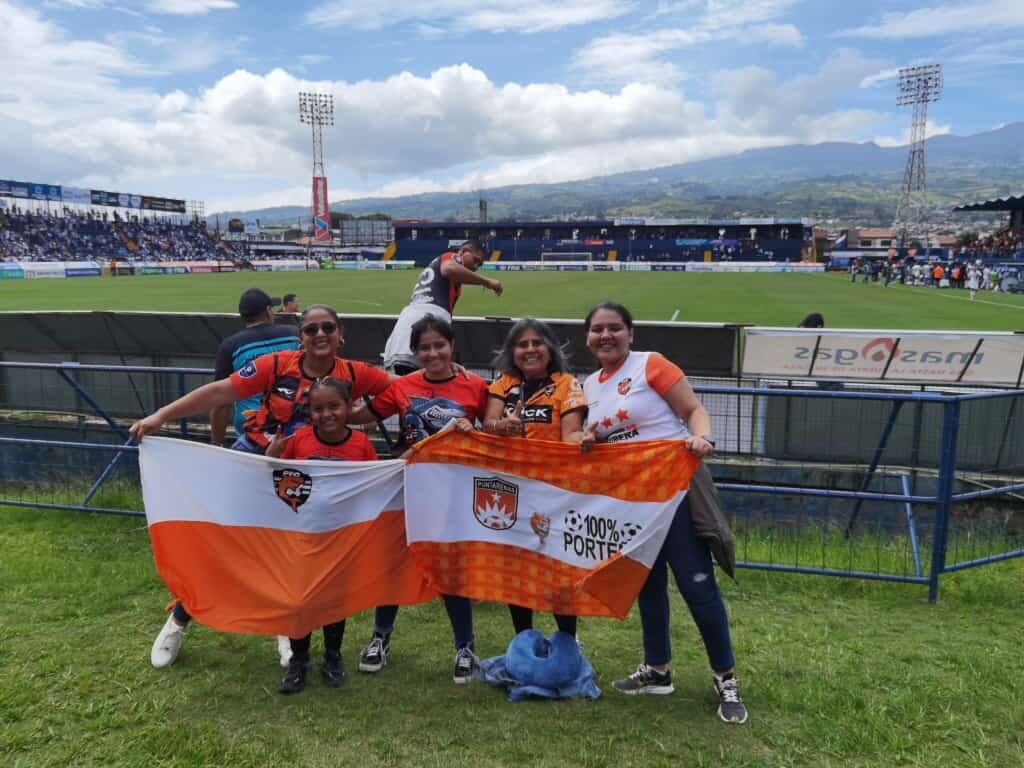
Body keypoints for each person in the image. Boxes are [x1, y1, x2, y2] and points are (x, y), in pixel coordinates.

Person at [131, 304, 394, 669]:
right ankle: (179, 617)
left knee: (291, 555)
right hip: (256, 465)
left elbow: (400, 392)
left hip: (310, 479)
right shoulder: (276, 365)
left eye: (327, 328)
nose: (320, 335)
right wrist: (161, 416)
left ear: (340, 333)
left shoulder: (353, 372)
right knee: (223, 544)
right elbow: (220, 392)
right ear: (300, 337)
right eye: (311, 329)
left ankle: (285, 627)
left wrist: (357, 416)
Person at [579, 301, 747, 725]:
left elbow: (693, 410)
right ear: (588, 337)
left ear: (630, 333)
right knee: (646, 585)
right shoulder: (590, 385)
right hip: (632, 504)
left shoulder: (650, 365)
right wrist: (586, 439)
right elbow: (598, 438)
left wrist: (701, 437)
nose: (606, 335)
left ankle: (725, 677)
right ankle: (657, 670)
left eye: (614, 328)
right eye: (597, 329)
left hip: (674, 494)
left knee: (697, 586)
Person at [348, 314, 488, 684]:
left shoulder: (475, 386)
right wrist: (326, 401)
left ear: (451, 345)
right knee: (394, 561)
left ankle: (465, 647)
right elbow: (361, 415)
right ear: (415, 352)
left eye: (439, 345)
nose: (432, 353)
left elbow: (492, 436)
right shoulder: (402, 386)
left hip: (455, 491)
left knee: (450, 568)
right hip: (408, 488)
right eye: (424, 348)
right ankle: (380, 638)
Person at [265, 377, 378, 695]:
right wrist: (271, 455)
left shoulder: (360, 445)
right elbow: (274, 477)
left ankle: (333, 657)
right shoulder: (299, 441)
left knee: (333, 602)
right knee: (300, 600)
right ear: (309, 412)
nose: (327, 414)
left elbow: (373, 485)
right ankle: (299, 661)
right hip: (302, 537)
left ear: (349, 407)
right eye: (318, 408)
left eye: (334, 406)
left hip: (341, 539)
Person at [482, 318, 588, 639]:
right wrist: (503, 426)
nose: (530, 349)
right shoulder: (503, 383)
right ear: (512, 352)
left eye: (537, 343)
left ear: (550, 348)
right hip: (513, 491)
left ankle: (569, 641)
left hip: (555, 491)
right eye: (522, 344)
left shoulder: (567, 384)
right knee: (517, 569)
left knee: (557, 569)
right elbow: (488, 421)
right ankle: (523, 639)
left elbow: (570, 435)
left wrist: (584, 440)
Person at [382, 239, 503, 375]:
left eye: (479, 264)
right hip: (427, 321)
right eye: (475, 260)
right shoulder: (452, 257)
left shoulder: (444, 273)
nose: (476, 266)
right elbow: (448, 269)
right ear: (463, 252)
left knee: (406, 381)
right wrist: (487, 282)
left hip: (408, 323)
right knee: (422, 382)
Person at [210, 288, 299, 448]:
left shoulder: (230, 345)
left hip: (250, 433)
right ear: (268, 311)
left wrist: (217, 444)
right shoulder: (294, 334)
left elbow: (221, 402)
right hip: (293, 426)